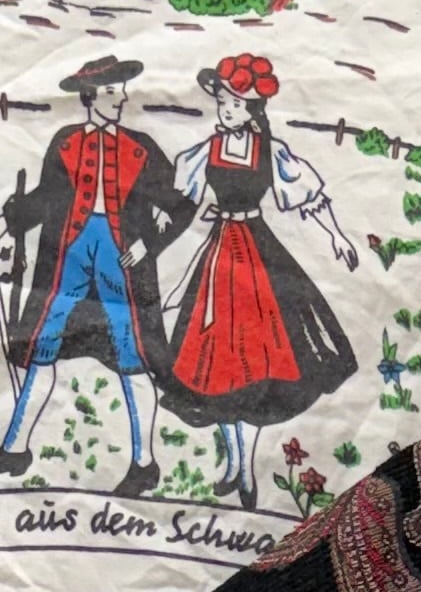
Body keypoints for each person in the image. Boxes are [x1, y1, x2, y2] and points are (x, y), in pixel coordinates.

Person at [0, 54, 192, 497]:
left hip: (121, 259)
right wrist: (8, 221)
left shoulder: (142, 148)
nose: (121, 98)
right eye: (111, 91)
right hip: (68, 253)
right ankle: (15, 448)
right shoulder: (66, 142)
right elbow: (47, 196)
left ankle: (144, 463)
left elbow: (181, 206)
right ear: (89, 97)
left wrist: (148, 245)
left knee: (133, 353)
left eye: (122, 90)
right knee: (41, 345)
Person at [154, 55, 359, 508]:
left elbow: (308, 198)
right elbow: (179, 196)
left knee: (256, 360)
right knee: (216, 364)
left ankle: (246, 468)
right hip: (219, 257)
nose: (225, 110)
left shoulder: (270, 152)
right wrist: (158, 218)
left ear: (251, 109)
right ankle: (233, 465)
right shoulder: (206, 150)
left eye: (233, 103)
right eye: (222, 102)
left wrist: (337, 236)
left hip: (258, 255)